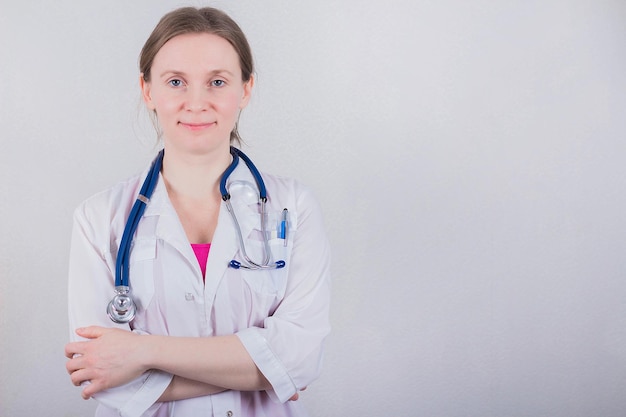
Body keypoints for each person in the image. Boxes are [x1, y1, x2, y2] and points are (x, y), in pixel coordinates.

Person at [64, 7, 331, 417]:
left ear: (245, 89)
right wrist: (266, 370)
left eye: (217, 82)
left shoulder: (293, 207)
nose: (196, 102)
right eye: (176, 82)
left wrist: (143, 351)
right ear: (148, 90)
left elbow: (301, 357)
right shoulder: (99, 218)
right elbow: (103, 377)